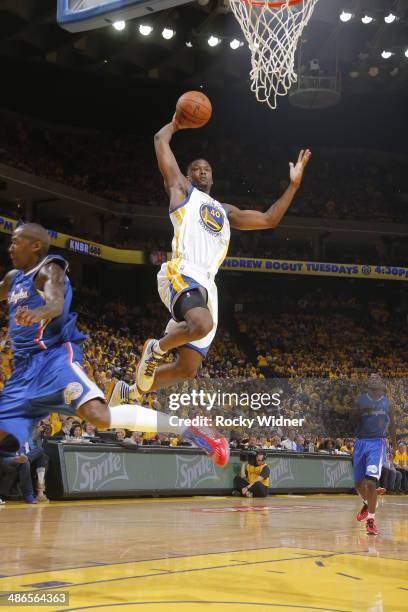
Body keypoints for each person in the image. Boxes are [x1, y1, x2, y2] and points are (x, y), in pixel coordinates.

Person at [111, 117, 310, 401]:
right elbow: (159, 140)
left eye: (207, 169)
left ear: (213, 178)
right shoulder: (182, 192)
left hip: (208, 284)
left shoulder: (225, 210)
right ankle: (156, 348)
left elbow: (269, 219)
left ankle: (128, 392)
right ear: (187, 176)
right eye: (196, 169)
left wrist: (294, 185)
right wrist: (176, 123)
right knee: (201, 325)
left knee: (186, 369)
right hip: (183, 269)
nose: (201, 172)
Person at [0, 223, 229, 467]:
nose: (10, 248)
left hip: (51, 361)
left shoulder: (49, 270)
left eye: (16, 242)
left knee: (99, 417)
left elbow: (55, 303)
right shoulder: (13, 279)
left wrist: (38, 312)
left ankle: (191, 430)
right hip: (23, 372)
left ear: (35, 246)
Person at [352, 374, 396, 535]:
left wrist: (394, 443)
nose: (374, 379)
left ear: (381, 383)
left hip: (377, 443)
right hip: (360, 442)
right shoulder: (360, 400)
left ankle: (371, 521)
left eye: (377, 378)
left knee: (370, 483)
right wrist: (363, 410)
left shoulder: (387, 402)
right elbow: (351, 419)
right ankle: (369, 501)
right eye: (371, 378)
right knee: (358, 484)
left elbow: (392, 424)